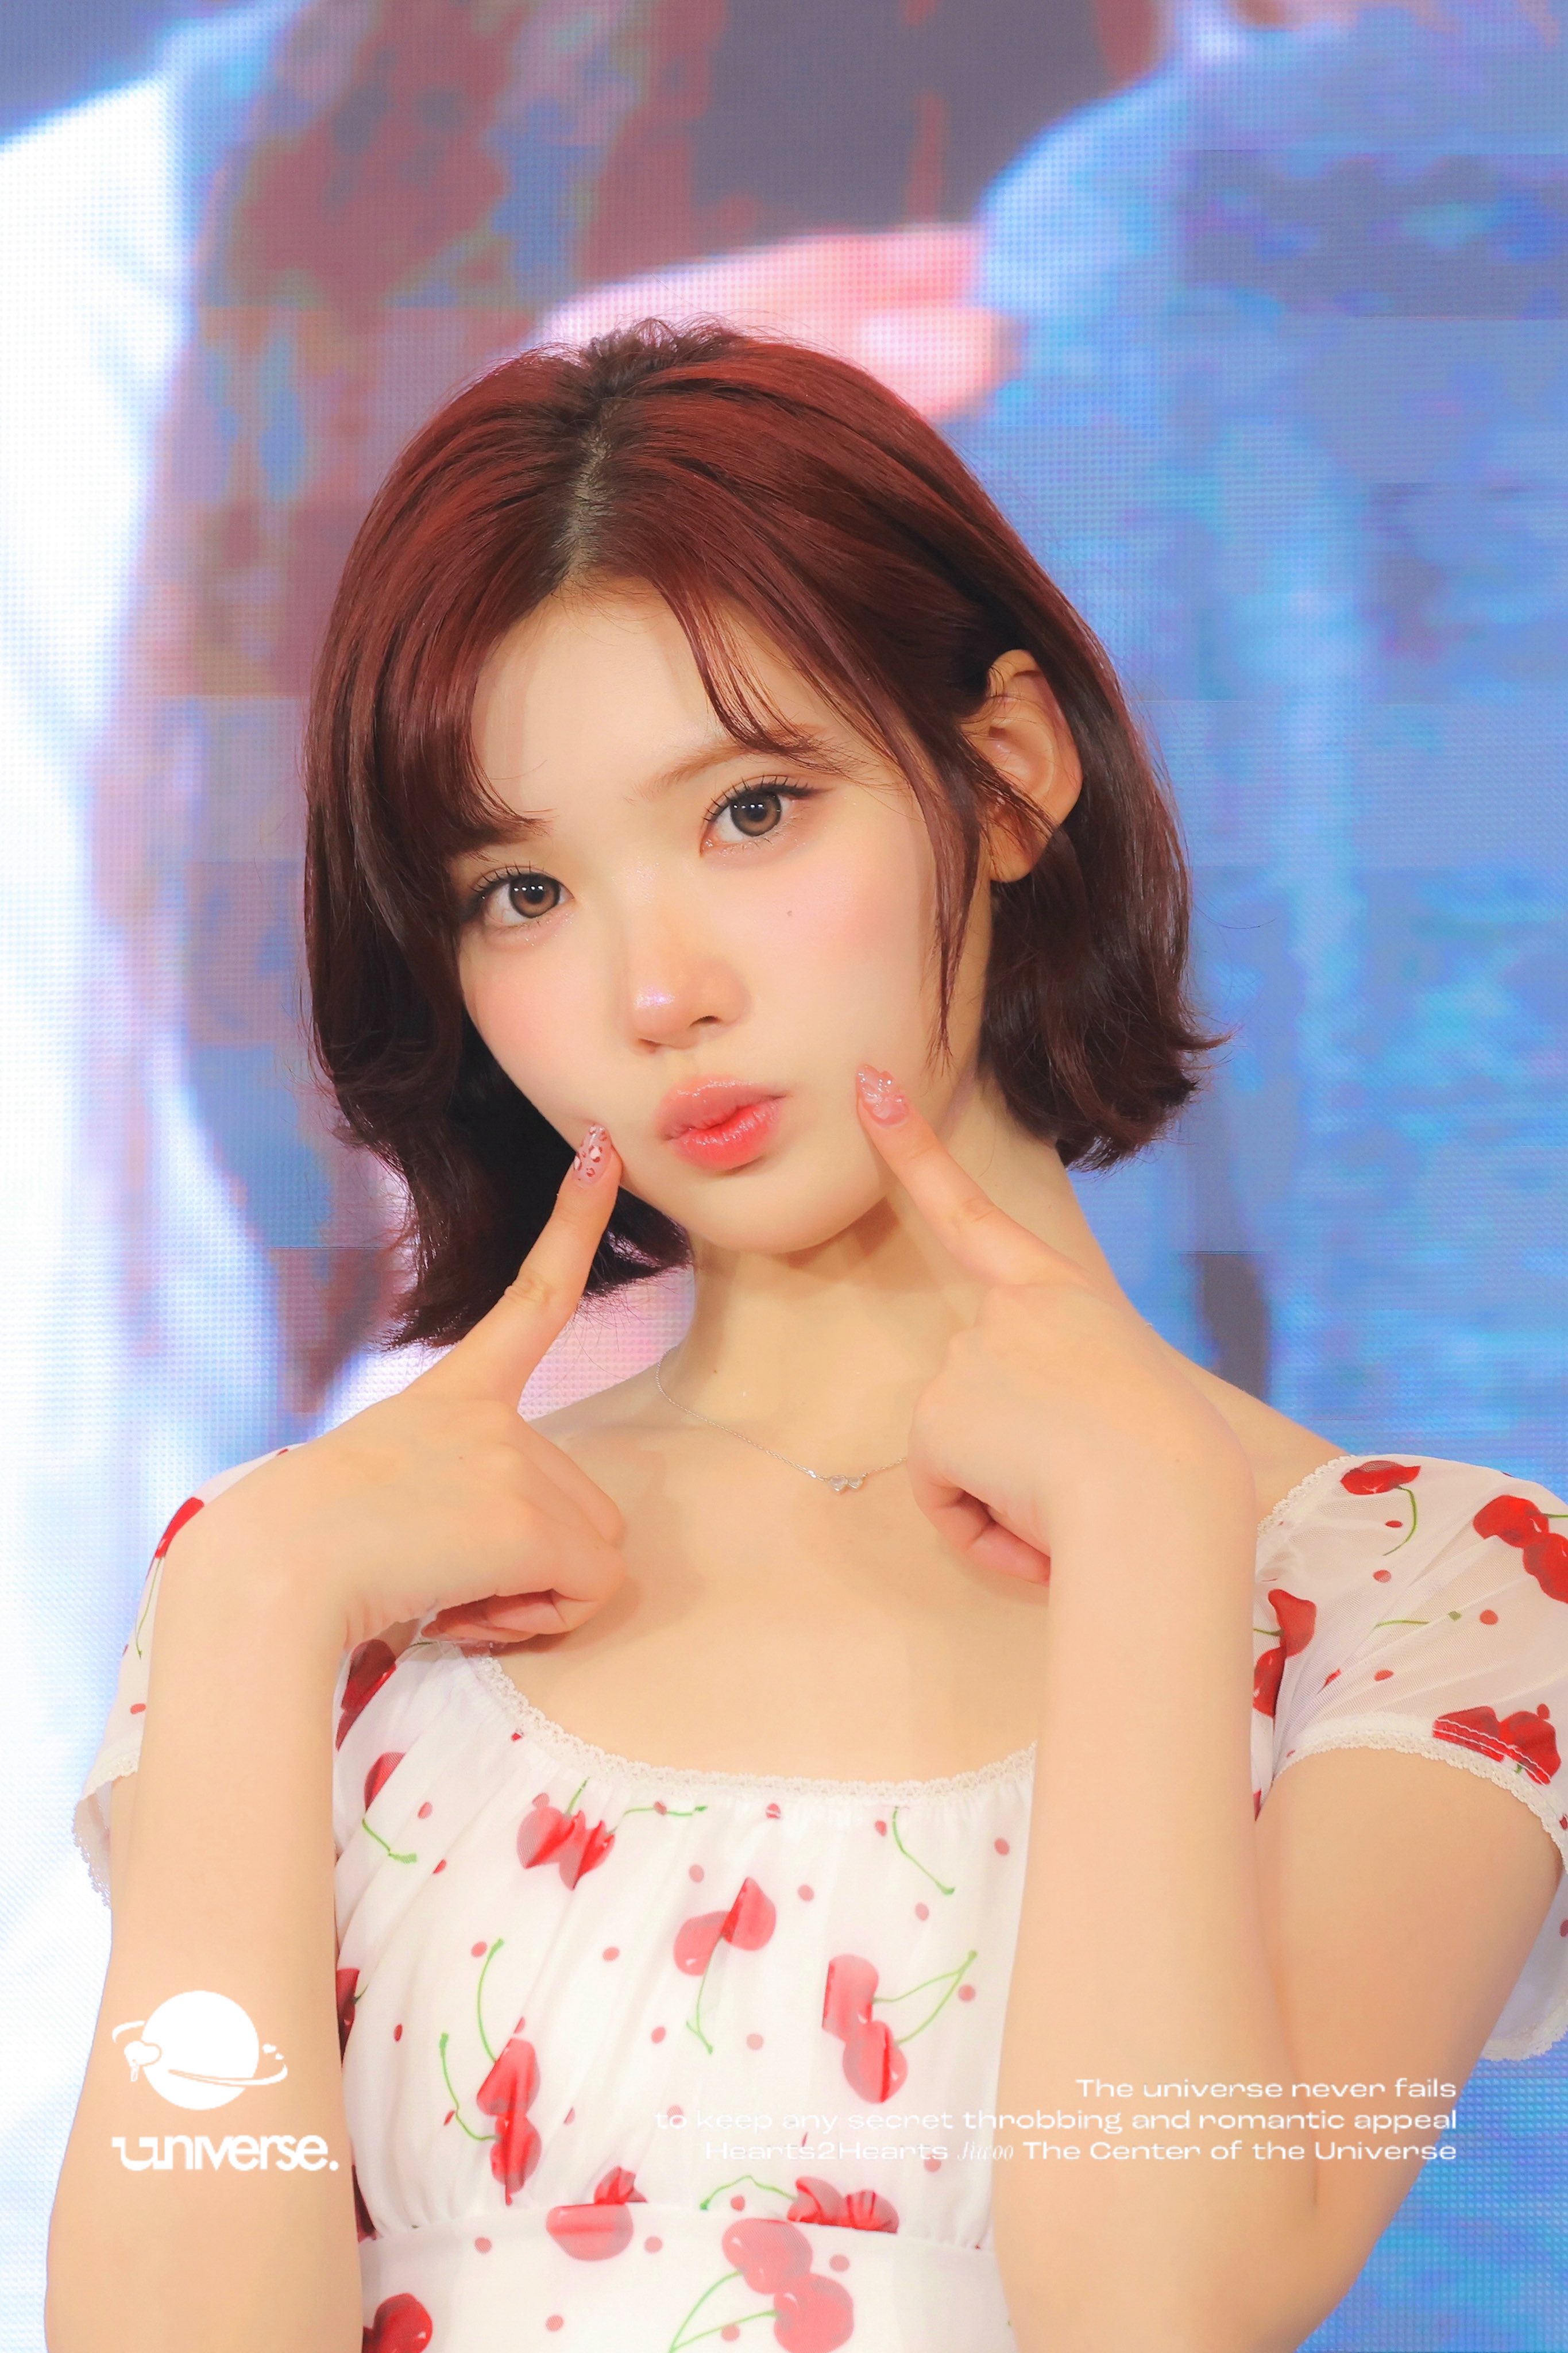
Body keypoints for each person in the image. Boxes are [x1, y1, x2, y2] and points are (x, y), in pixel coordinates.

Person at [49, 322, 1568, 2353]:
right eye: (520, 892)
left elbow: (1162, 2312)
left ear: (1006, 772)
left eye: (751, 811)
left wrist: (1149, 1532)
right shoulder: (304, 1586)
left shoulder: (1427, 1596)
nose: (655, 990)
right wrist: (250, 1609)